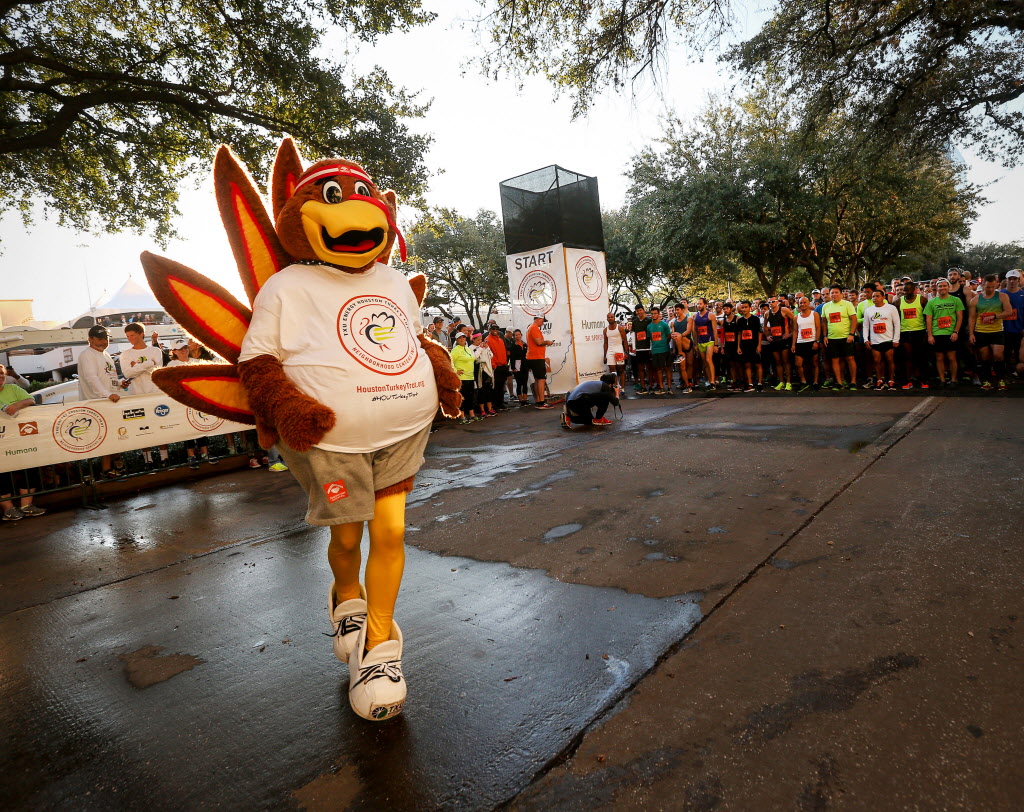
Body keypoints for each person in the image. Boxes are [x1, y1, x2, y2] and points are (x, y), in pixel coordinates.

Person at [1, 381, 46, 520]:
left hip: (19, 439)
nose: (0, 376)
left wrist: (17, 405)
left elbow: (30, 400)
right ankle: (8, 510)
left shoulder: (12, 388)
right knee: (2, 474)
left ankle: (26, 506)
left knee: (30, 468)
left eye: (1, 373)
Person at [969, 274, 1014, 391]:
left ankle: (1001, 379)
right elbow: (972, 317)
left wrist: (995, 316)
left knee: (998, 355)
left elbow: (1009, 311)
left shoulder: (1002, 296)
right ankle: (988, 380)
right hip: (981, 332)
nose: (990, 289)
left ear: (996, 285)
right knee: (985, 357)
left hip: (997, 331)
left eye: (993, 287)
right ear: (982, 285)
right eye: (988, 287)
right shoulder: (975, 299)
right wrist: (971, 333)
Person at [924, 278, 965, 388]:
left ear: (948, 287)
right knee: (939, 358)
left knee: (952, 357)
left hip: (951, 333)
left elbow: (960, 317)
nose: (942, 288)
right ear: (936, 288)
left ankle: (953, 380)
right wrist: (930, 335)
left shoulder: (956, 300)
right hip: (937, 333)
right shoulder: (931, 302)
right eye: (940, 286)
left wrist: (956, 332)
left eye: (944, 286)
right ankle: (942, 380)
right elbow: (928, 319)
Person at [821, 285, 858, 390]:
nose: (834, 294)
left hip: (846, 337)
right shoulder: (826, 306)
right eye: (832, 293)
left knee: (850, 358)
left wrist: (851, 334)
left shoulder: (847, 304)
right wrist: (825, 336)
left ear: (841, 294)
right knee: (835, 360)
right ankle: (839, 382)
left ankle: (853, 382)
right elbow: (824, 322)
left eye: (836, 292)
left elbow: (854, 319)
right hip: (832, 338)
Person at [862, 289, 901, 390]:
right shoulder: (868, 310)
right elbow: (865, 326)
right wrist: (866, 339)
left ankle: (891, 380)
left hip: (888, 339)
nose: (875, 298)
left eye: (878, 296)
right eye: (874, 296)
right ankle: (879, 380)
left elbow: (897, 324)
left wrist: (896, 339)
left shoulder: (891, 308)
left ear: (883, 297)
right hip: (875, 340)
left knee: (889, 360)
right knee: (876, 361)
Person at [896, 279, 930, 389]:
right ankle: (908, 380)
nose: (906, 292)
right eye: (904, 290)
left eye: (908, 290)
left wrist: (927, 333)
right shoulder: (898, 302)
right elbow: (896, 319)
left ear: (914, 290)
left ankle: (922, 379)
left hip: (919, 331)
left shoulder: (922, 300)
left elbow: (928, 317)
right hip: (905, 332)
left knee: (920, 357)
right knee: (907, 357)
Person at [118, 322, 164, 394]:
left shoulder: (156, 351)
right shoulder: (125, 354)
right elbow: (128, 374)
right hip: (136, 395)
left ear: (141, 334)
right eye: (128, 336)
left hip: (155, 393)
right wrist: (150, 363)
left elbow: (156, 373)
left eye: (132, 335)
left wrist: (135, 365)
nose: (130, 338)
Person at [792, 296, 822, 392]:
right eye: (801, 303)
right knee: (798, 364)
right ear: (798, 304)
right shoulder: (796, 317)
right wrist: (793, 344)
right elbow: (795, 331)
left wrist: (816, 341)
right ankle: (803, 381)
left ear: (808, 303)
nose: (803, 304)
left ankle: (815, 382)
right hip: (801, 342)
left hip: (812, 341)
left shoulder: (815, 314)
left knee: (815, 363)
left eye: (805, 302)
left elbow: (818, 328)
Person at [764, 296, 794, 391]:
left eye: (773, 301)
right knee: (778, 362)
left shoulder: (784, 310)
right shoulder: (767, 313)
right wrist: (768, 335)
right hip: (774, 340)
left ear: (777, 302)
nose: (771, 303)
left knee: (786, 361)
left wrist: (790, 333)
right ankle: (781, 381)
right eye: (769, 302)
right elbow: (765, 326)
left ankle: (788, 382)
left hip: (784, 340)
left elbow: (794, 320)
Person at [526, 314, 554, 408]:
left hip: (534, 357)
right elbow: (539, 342)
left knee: (538, 380)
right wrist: (547, 342)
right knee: (541, 379)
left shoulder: (532, 327)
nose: (542, 323)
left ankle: (539, 401)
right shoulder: (534, 328)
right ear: (538, 319)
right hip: (536, 357)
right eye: (542, 321)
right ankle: (541, 402)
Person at [735, 301, 763, 392]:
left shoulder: (755, 319)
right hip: (744, 345)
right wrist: (738, 346)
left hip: (754, 345)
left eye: (746, 307)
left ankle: (759, 383)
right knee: (747, 365)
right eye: (742, 307)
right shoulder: (740, 320)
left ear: (750, 308)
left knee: (757, 364)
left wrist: (759, 345)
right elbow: (739, 333)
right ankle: (750, 383)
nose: (744, 309)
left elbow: (759, 333)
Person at [1000, 270, 1023, 374]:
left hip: (1019, 329)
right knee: (1005, 353)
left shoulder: (1023, 294)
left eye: (1015, 279)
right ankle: (1006, 373)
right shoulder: (1000, 294)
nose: (1012, 281)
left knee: (1019, 353)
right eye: (1010, 279)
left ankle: (1017, 372)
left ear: (1018, 280)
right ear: (1006, 280)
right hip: (1004, 329)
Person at [450, 334, 478, 423]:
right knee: (462, 397)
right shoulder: (455, 350)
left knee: (470, 396)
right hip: (461, 378)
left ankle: (472, 415)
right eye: (459, 338)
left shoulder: (468, 349)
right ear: (457, 340)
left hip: (470, 377)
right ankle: (462, 417)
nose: (462, 339)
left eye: (463, 337)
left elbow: (474, 358)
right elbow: (449, 360)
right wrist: (455, 370)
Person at [692, 298, 718, 389]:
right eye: (697, 304)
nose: (698, 305)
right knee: (704, 362)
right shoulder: (695, 316)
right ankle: (708, 379)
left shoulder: (710, 315)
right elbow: (695, 331)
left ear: (705, 304)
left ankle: (712, 381)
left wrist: (716, 344)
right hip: (700, 341)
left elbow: (715, 330)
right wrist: (695, 344)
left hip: (709, 340)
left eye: (700, 304)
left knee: (708, 360)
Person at [647, 306, 672, 394]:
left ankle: (669, 387)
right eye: (652, 314)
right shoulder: (649, 326)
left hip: (665, 350)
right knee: (658, 369)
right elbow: (650, 339)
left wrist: (664, 344)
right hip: (655, 351)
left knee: (667, 368)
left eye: (655, 313)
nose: (653, 315)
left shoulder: (664, 324)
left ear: (658, 314)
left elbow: (669, 336)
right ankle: (661, 387)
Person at [470, 332, 495, 416]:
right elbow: (475, 357)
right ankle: (482, 409)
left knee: (489, 390)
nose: (480, 342)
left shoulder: (483, 346)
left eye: (481, 340)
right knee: (481, 390)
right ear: (473, 340)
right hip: (479, 370)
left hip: (487, 370)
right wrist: (480, 348)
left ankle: (490, 408)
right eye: (478, 340)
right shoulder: (471, 347)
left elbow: (491, 355)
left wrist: (487, 348)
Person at [670, 302, 693, 393]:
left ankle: (690, 382)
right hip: (678, 345)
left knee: (690, 364)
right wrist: (674, 348)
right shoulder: (673, 322)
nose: (676, 312)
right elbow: (673, 335)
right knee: (682, 368)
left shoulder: (689, 318)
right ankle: (686, 384)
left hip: (686, 342)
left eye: (678, 310)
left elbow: (688, 330)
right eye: (675, 310)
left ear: (682, 310)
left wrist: (680, 335)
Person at [629, 304, 653, 393]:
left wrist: (651, 346)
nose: (639, 312)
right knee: (640, 368)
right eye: (637, 311)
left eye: (640, 310)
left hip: (648, 347)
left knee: (649, 368)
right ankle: (643, 387)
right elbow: (633, 334)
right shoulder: (635, 322)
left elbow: (651, 333)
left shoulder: (649, 320)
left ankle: (651, 385)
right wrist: (634, 347)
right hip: (639, 348)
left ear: (643, 310)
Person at [486, 325, 509, 410]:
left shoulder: (500, 340)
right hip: (496, 367)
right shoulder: (488, 340)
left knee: (501, 386)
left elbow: (504, 352)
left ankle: (500, 403)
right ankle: (496, 404)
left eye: (496, 329)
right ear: (490, 330)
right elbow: (489, 354)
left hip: (503, 366)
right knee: (495, 387)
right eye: (493, 329)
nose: (495, 330)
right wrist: (494, 365)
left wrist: (506, 363)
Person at [721, 301, 742, 391]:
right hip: (728, 345)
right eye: (724, 309)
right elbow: (722, 334)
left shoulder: (737, 319)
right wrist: (722, 347)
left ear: (731, 309)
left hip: (736, 344)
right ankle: (734, 381)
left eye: (727, 308)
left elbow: (739, 333)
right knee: (731, 364)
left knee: (738, 364)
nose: (726, 310)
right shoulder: (723, 321)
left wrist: (739, 346)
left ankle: (741, 381)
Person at [603, 311, 628, 388]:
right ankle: (616, 386)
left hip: (619, 350)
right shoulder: (605, 330)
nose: (610, 318)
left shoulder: (620, 328)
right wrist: (605, 355)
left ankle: (623, 388)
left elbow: (625, 340)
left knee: (621, 370)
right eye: (609, 317)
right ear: (607, 319)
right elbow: (605, 343)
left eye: (611, 317)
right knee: (612, 370)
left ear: (614, 318)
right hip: (610, 351)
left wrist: (626, 352)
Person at [509, 328, 529, 406]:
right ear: (514, 336)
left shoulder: (524, 344)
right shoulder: (513, 346)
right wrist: (513, 367)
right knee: (519, 383)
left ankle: (525, 398)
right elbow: (512, 357)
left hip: (525, 365)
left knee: (525, 383)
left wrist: (528, 365)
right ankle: (521, 400)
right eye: (516, 335)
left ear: (521, 335)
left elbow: (527, 355)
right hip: (517, 365)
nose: (518, 336)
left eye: (519, 335)